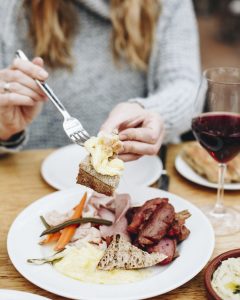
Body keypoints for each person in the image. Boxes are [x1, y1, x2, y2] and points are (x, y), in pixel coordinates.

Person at [0, 0, 200, 161]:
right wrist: (4, 130)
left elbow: (187, 87)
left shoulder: (169, 4)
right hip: (26, 175)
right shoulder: (10, 9)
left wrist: (153, 113)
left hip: (142, 173)